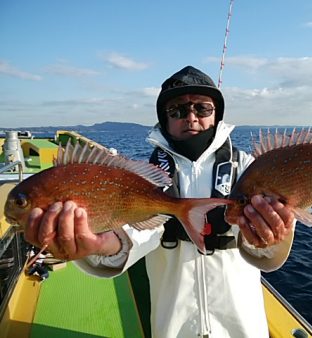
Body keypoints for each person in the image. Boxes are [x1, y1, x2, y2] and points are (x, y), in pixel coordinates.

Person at [24, 66, 295, 338]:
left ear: (217, 114)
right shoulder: (147, 174)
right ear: (164, 119)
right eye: (177, 110)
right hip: (174, 327)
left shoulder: (249, 169)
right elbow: (137, 232)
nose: (191, 117)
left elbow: (267, 252)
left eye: (202, 108)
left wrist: (272, 235)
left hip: (243, 326)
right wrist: (100, 244)